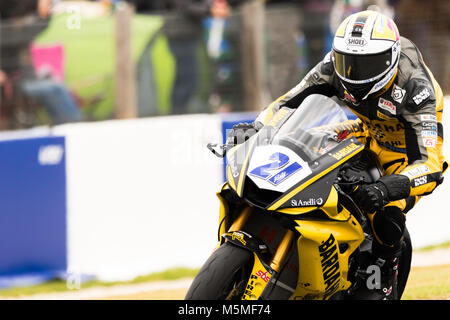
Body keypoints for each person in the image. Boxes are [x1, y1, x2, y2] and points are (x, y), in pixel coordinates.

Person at [226, 10, 447, 299]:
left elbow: (431, 163)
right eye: (348, 62)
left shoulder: (415, 88)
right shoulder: (333, 65)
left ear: (390, 59)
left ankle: (381, 274)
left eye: (367, 64)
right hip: (363, 131)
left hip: (402, 150)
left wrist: (386, 187)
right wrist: (256, 127)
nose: (355, 72)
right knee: (300, 141)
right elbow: (289, 101)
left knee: (386, 214)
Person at [0, 0, 82, 126]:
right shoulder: (8, 31)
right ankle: (72, 125)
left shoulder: (13, 30)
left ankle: (69, 125)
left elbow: (28, 32)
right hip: (17, 85)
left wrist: (43, 15)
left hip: (23, 81)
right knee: (55, 89)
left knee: (56, 87)